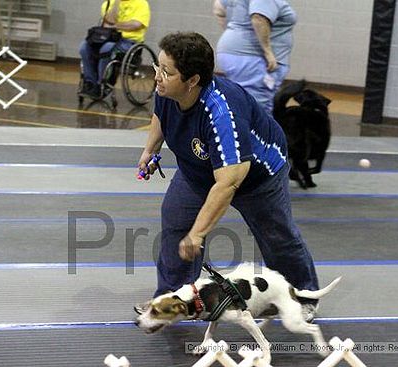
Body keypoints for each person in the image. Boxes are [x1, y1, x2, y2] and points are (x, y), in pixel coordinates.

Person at [135, 32, 319, 321]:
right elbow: (161, 114)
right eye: (157, 67)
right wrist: (150, 150)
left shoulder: (221, 113)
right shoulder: (168, 91)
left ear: (192, 80)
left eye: (167, 72)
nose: (157, 76)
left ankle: (303, 296)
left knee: (277, 236)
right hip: (199, 171)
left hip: (257, 177)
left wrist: (198, 234)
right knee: (175, 224)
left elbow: (228, 183)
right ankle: (173, 299)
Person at [213, 0, 296, 113]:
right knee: (258, 111)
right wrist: (268, 51)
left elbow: (219, 9)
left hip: (237, 54)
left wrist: (233, 32)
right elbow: (259, 17)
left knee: (244, 104)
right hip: (253, 57)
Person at [78, 0, 150, 99]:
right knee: (84, 47)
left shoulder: (141, 3)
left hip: (129, 41)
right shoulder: (109, 3)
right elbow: (107, 24)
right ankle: (89, 82)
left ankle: (102, 84)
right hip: (110, 37)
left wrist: (116, 25)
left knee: (106, 48)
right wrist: (116, 3)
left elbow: (136, 25)